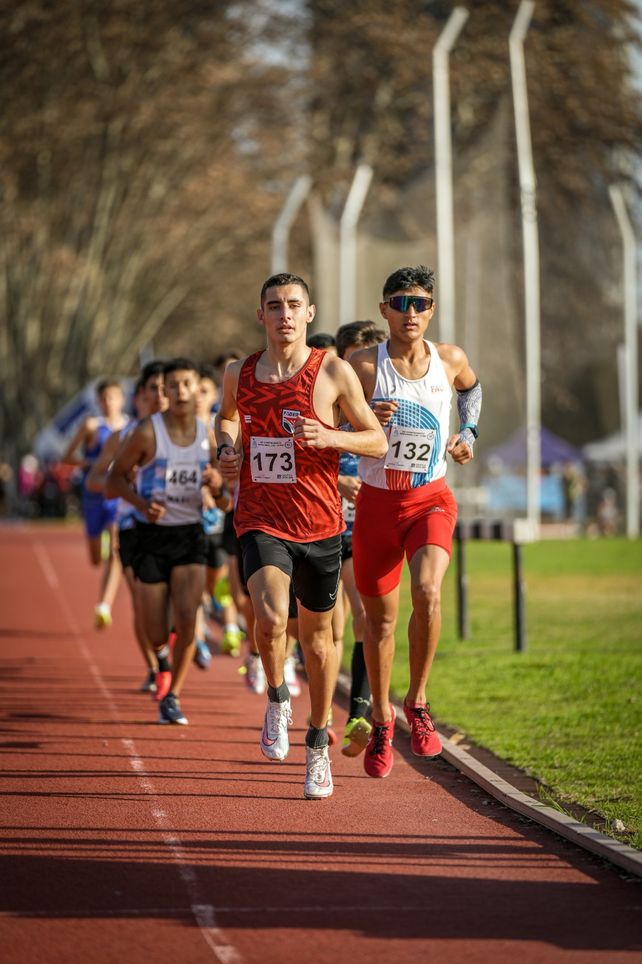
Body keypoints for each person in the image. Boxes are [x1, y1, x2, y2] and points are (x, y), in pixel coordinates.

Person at [215, 272, 387, 799]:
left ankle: (316, 743)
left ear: (309, 314)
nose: (284, 314)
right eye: (274, 305)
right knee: (269, 619)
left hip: (321, 524)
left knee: (317, 640)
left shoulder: (331, 371)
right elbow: (227, 419)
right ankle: (276, 696)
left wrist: (330, 434)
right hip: (262, 518)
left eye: (294, 305)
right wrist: (226, 449)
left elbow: (376, 440)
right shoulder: (237, 373)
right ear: (260, 315)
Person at [350, 265, 481, 779]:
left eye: (421, 303)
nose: (411, 313)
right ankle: (382, 719)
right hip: (377, 506)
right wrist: (360, 420)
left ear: (431, 310)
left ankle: (418, 703)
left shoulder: (450, 360)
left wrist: (468, 431)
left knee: (427, 591)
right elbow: (325, 419)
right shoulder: (361, 365)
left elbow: (471, 391)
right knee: (378, 623)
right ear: (383, 309)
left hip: (430, 500)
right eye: (401, 303)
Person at [106, 358, 226, 726]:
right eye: (172, 386)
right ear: (165, 392)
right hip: (150, 537)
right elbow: (113, 481)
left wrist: (217, 485)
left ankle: (173, 694)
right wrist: (143, 503)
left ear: (197, 389)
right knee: (156, 629)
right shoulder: (147, 433)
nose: (179, 392)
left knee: (188, 617)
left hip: (189, 534)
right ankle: (160, 658)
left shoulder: (208, 434)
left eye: (187, 384)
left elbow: (223, 498)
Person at [86, 361, 167, 691]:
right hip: (132, 524)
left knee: (176, 602)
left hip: (177, 524)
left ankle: (172, 649)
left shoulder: (188, 431)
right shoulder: (122, 436)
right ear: (140, 397)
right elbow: (95, 480)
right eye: (153, 390)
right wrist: (121, 480)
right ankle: (155, 667)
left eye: (167, 389)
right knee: (142, 601)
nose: (161, 396)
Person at [333, 320, 387, 757]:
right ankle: (311, 706)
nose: (363, 369)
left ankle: (357, 714)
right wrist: (336, 481)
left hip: (362, 532)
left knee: (365, 620)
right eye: (355, 360)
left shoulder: (392, 404)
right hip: (317, 529)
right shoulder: (327, 399)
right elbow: (299, 455)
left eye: (370, 359)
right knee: (319, 628)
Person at [61, 379, 129, 628]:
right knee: (94, 559)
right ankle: (97, 543)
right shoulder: (91, 426)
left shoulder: (131, 426)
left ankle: (104, 606)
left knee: (115, 550)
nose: (109, 403)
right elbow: (67, 456)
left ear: (122, 399)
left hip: (117, 496)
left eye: (113, 397)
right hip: (93, 496)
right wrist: (92, 464)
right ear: (98, 402)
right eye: (104, 399)